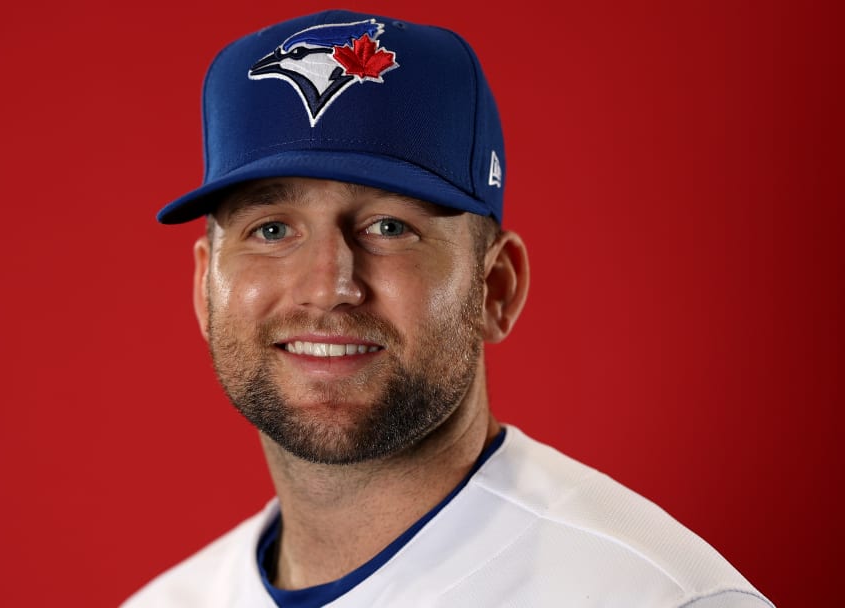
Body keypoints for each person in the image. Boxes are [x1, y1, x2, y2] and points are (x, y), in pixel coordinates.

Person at [124, 10, 773, 607]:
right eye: (270, 230)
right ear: (206, 290)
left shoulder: (655, 596)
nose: (327, 286)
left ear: (496, 288)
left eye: (388, 227)